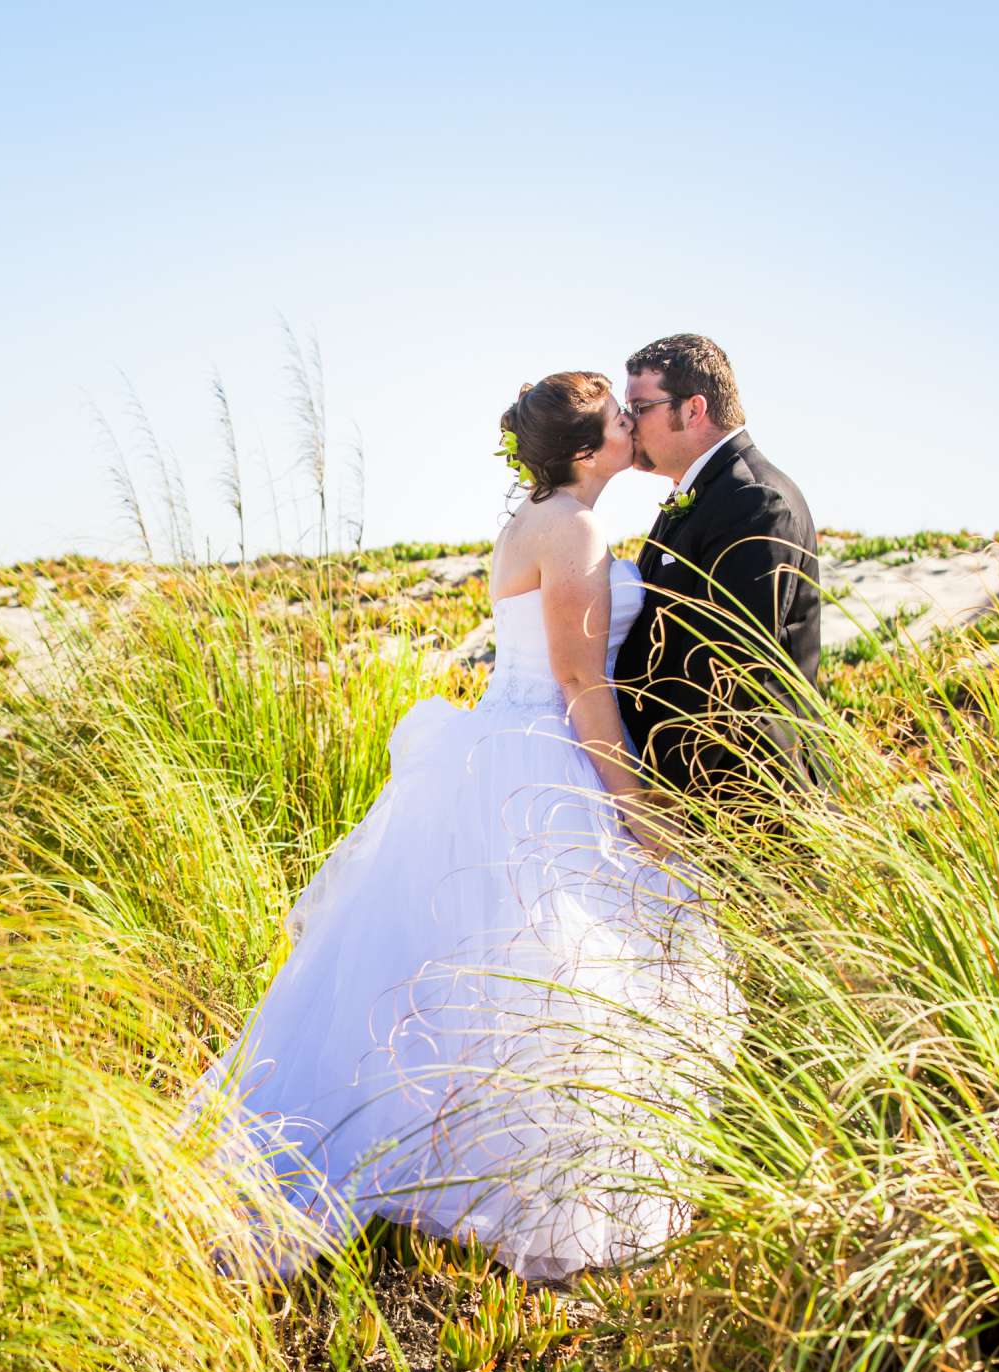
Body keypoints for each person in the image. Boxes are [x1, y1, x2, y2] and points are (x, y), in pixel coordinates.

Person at [182, 372, 741, 1283]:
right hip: (543, 755)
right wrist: (637, 808)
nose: (633, 428)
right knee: (543, 972)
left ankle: (481, 1168)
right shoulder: (576, 528)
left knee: (488, 975)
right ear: (585, 447)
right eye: (617, 419)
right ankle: (528, 1193)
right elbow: (581, 683)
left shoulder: (541, 521)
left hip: (502, 743)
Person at [613, 335, 820, 815]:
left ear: (693, 409)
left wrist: (666, 793)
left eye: (640, 407)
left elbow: (729, 664)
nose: (629, 424)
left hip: (746, 797)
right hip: (697, 791)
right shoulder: (704, 493)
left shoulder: (754, 500)